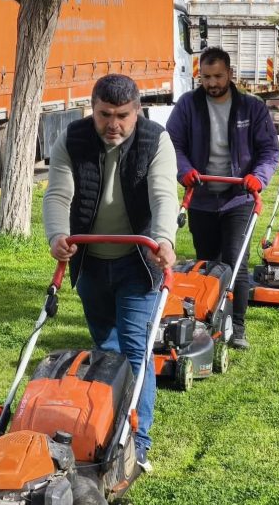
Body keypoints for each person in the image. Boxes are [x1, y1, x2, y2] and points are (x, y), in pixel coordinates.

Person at [43, 74, 179, 474]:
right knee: (105, 347)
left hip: (139, 262)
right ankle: (105, 422)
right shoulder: (73, 139)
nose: (113, 124)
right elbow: (58, 193)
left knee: (136, 350)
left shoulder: (156, 141)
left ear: (137, 111)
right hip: (91, 261)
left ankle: (138, 442)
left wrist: (163, 240)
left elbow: (163, 195)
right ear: (93, 109)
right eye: (104, 115)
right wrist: (57, 235)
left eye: (122, 116)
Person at [166, 47, 279, 350]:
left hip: (239, 197)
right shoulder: (188, 106)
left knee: (236, 261)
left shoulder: (251, 108)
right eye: (206, 77)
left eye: (217, 76)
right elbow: (172, 143)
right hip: (201, 197)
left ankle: (237, 326)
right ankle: (208, 319)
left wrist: (258, 177)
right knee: (207, 264)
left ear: (230, 73)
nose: (212, 83)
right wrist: (184, 170)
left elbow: (269, 150)